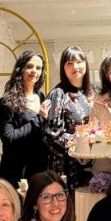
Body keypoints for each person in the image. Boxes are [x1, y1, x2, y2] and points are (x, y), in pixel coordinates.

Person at [43, 46, 94, 190]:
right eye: (69, 63)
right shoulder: (59, 94)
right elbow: (52, 134)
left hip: (91, 165)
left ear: (85, 64)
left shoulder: (92, 93)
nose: (75, 67)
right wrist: (80, 144)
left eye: (79, 62)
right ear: (63, 68)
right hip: (67, 168)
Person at [0, 50, 49, 187]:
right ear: (21, 69)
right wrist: (39, 119)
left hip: (39, 169)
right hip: (16, 172)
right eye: (29, 66)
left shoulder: (42, 98)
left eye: (38, 68)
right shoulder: (6, 101)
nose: (34, 71)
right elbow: (9, 137)